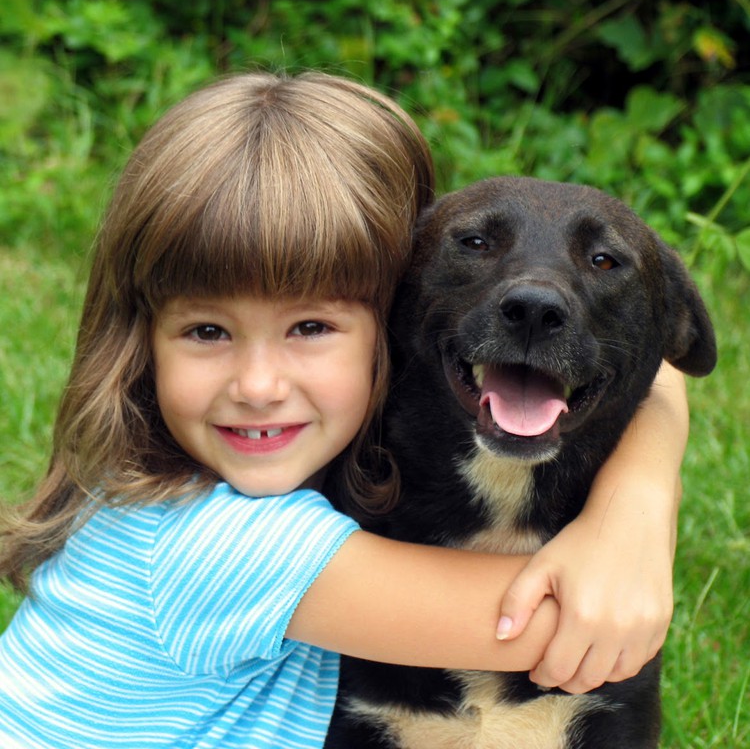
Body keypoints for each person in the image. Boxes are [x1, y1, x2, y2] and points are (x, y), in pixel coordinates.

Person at [0, 71, 687, 748]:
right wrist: (630, 531)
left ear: (385, 314)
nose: (259, 385)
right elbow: (586, 619)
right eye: (207, 332)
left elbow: (665, 370)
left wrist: (640, 491)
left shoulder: (285, 490)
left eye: (309, 329)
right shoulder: (221, 544)